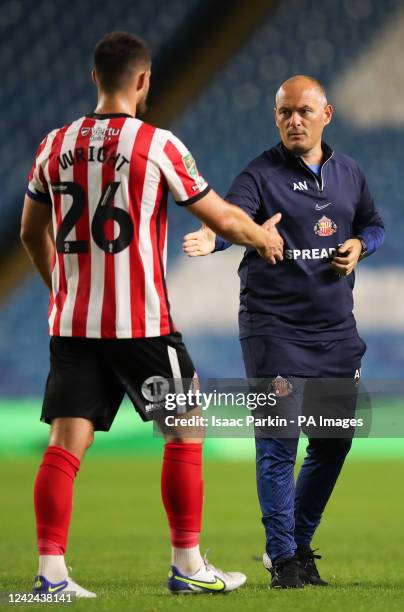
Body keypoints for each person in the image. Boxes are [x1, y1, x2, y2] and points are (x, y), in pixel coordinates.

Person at [21, 32, 284, 598]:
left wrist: (59, 292)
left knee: (66, 443)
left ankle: (50, 576)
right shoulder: (157, 145)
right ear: (143, 81)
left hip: (73, 326)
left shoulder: (53, 144)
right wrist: (261, 237)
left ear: (96, 78)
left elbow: (29, 232)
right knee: (187, 428)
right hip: (141, 324)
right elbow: (220, 217)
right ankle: (187, 565)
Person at [183, 75, 385, 588]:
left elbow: (374, 223)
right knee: (278, 442)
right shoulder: (260, 174)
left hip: (336, 331)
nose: (294, 120)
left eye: (303, 111)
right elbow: (230, 217)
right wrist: (214, 236)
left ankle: (295, 543)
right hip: (274, 330)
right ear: (276, 117)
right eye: (284, 112)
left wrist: (361, 245)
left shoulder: (350, 173)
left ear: (326, 115)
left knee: (334, 440)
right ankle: (285, 558)